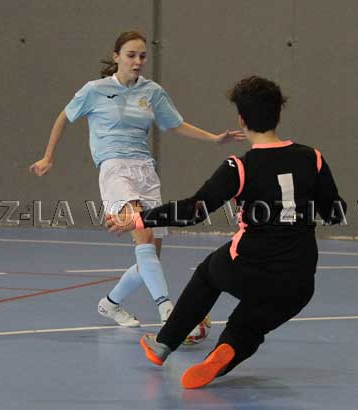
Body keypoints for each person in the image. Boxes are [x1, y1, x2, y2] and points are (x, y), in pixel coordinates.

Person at [107, 75, 346, 388]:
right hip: (299, 281)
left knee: (209, 273)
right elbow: (336, 213)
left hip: (249, 267)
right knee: (250, 324)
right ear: (278, 114)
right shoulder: (312, 158)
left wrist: (140, 219)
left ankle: (164, 343)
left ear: (242, 120)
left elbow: (193, 211)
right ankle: (225, 352)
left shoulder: (239, 167)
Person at [30, 31, 244, 330]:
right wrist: (47, 157)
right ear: (116, 56)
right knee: (143, 237)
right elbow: (64, 117)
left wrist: (214, 138)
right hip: (115, 168)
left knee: (151, 255)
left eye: (142, 56)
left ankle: (110, 304)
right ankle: (169, 311)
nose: (138, 61)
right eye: (131, 55)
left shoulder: (152, 92)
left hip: (145, 171)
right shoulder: (95, 90)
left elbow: (176, 124)